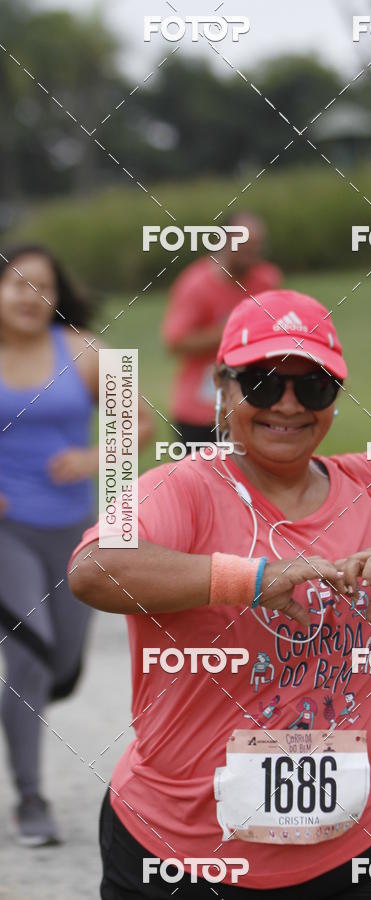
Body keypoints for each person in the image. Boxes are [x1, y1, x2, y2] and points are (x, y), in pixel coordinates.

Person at [69, 289, 371, 898]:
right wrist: (252, 580)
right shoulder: (182, 489)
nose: (287, 405)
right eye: (262, 383)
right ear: (223, 388)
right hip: (179, 856)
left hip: (359, 847)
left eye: (313, 387)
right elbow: (93, 570)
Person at [0, 244, 154, 846]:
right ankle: (31, 799)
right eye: (17, 285)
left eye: (44, 287)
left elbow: (139, 424)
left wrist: (94, 456)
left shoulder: (86, 352)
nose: (30, 298)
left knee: (61, 669)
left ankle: (20, 708)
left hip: (72, 528)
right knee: (31, 656)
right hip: (6, 531)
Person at [162, 212, 282, 446]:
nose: (252, 256)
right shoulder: (195, 284)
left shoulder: (266, 279)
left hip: (253, 404)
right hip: (201, 412)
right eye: (245, 248)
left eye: (257, 249)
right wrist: (236, 328)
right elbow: (175, 342)